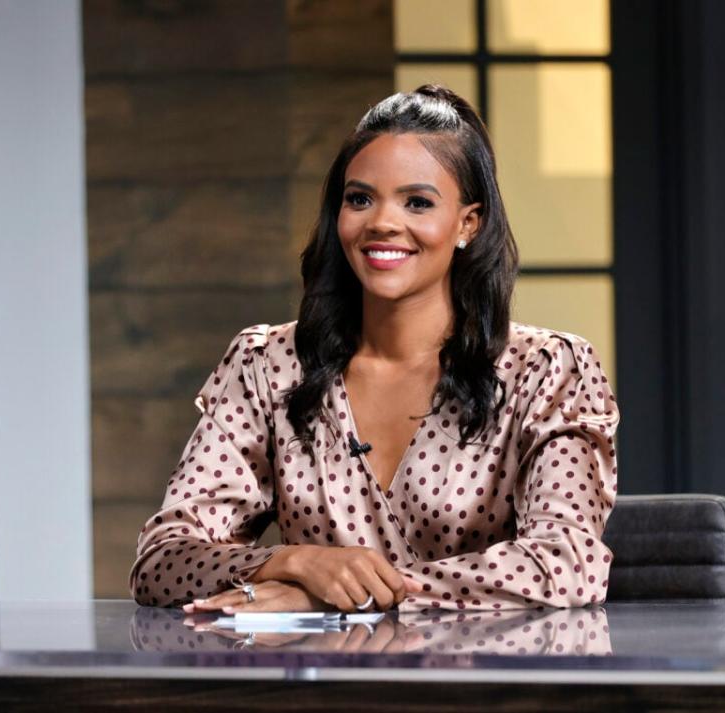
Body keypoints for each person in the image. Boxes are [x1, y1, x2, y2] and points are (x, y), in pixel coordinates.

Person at [129, 85, 620, 614]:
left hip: (484, 688)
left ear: (468, 224)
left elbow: (568, 565)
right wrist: (294, 564)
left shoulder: (547, 371)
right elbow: (162, 560)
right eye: (359, 198)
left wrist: (337, 599)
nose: (382, 222)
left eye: (417, 202)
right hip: (316, 691)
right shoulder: (264, 364)